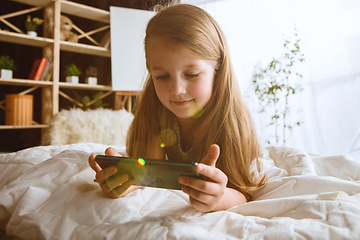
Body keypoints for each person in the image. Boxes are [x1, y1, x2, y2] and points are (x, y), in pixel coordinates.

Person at [89, 3, 267, 212]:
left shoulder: (232, 123)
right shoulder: (155, 111)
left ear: (217, 71)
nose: (177, 89)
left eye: (191, 74)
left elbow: (244, 193)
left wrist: (219, 197)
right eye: (162, 76)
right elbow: (150, 173)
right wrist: (125, 180)